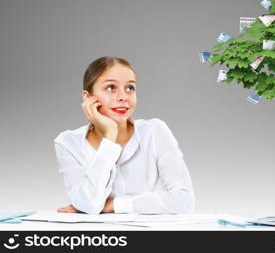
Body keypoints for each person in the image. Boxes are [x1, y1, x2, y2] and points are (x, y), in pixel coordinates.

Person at [54, 56, 195, 215]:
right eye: (110, 87)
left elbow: (185, 201)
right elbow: (87, 205)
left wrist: (114, 205)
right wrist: (110, 136)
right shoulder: (68, 143)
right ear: (88, 98)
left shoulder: (155, 131)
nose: (123, 97)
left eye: (130, 88)